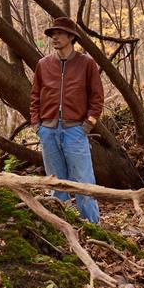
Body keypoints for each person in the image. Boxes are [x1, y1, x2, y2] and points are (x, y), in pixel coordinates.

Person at [29, 17, 103, 223]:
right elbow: (35, 96)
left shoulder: (86, 64)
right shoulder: (43, 65)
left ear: (71, 37)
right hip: (48, 130)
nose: (55, 37)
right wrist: (37, 124)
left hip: (75, 130)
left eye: (60, 33)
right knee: (55, 183)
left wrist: (88, 125)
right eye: (53, 34)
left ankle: (94, 226)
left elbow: (97, 97)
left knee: (83, 181)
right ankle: (61, 227)